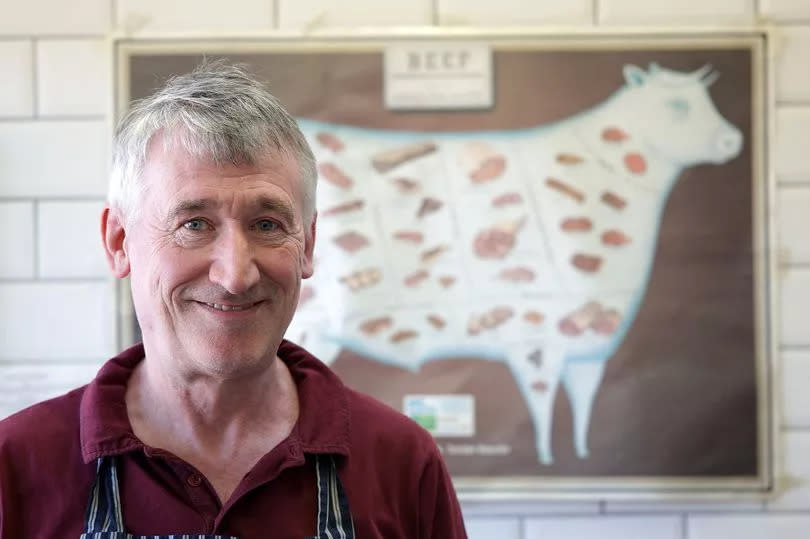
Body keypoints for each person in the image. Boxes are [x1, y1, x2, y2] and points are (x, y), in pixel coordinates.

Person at [0, 61, 468, 538]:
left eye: (267, 225)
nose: (235, 276)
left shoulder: (402, 463)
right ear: (119, 242)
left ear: (306, 245)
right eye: (194, 224)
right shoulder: (16, 466)